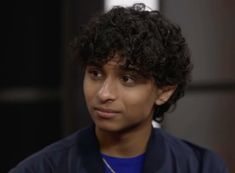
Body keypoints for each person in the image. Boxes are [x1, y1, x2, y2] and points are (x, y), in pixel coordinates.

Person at [9, 3, 228, 173]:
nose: (104, 93)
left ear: (163, 92)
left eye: (127, 79)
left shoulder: (201, 167)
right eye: (95, 74)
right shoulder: (43, 168)